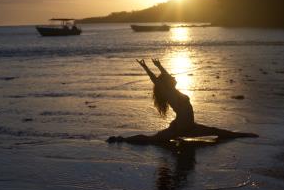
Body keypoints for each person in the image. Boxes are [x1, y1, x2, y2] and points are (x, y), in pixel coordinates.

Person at [107, 58, 258, 144]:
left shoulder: (173, 90)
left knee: (216, 131)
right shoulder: (168, 92)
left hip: (189, 126)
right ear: (167, 83)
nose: (174, 77)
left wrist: (159, 66)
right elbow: (157, 80)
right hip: (180, 128)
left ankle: (243, 135)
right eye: (172, 78)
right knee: (152, 140)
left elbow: (166, 77)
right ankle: (121, 140)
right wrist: (146, 67)